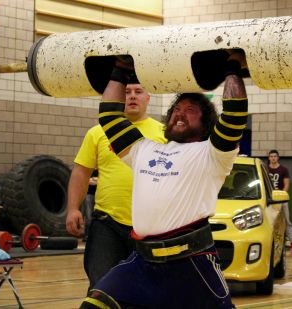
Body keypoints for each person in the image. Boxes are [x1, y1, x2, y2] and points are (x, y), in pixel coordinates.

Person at [80, 52, 248, 309]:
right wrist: (120, 70)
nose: (180, 115)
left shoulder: (213, 154)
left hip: (191, 265)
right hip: (142, 264)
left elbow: (234, 116)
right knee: (94, 305)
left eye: (190, 111)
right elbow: (110, 117)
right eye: (177, 110)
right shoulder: (142, 148)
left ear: (205, 124)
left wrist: (232, 68)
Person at [66, 83, 166, 289]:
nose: (132, 97)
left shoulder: (163, 133)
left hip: (152, 227)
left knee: (149, 290)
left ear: (148, 97)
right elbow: (81, 172)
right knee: (102, 288)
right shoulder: (97, 132)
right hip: (107, 223)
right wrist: (73, 208)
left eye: (138, 92)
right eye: (126, 92)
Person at [268, 149, 292, 251]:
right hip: (269, 200)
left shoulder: (283, 169)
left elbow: (286, 185)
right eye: (271, 156)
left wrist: (281, 195)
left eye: (275, 156)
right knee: (270, 221)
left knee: (287, 221)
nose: (273, 158)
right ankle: (270, 242)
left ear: (278, 157)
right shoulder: (266, 169)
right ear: (269, 158)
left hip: (281, 199)